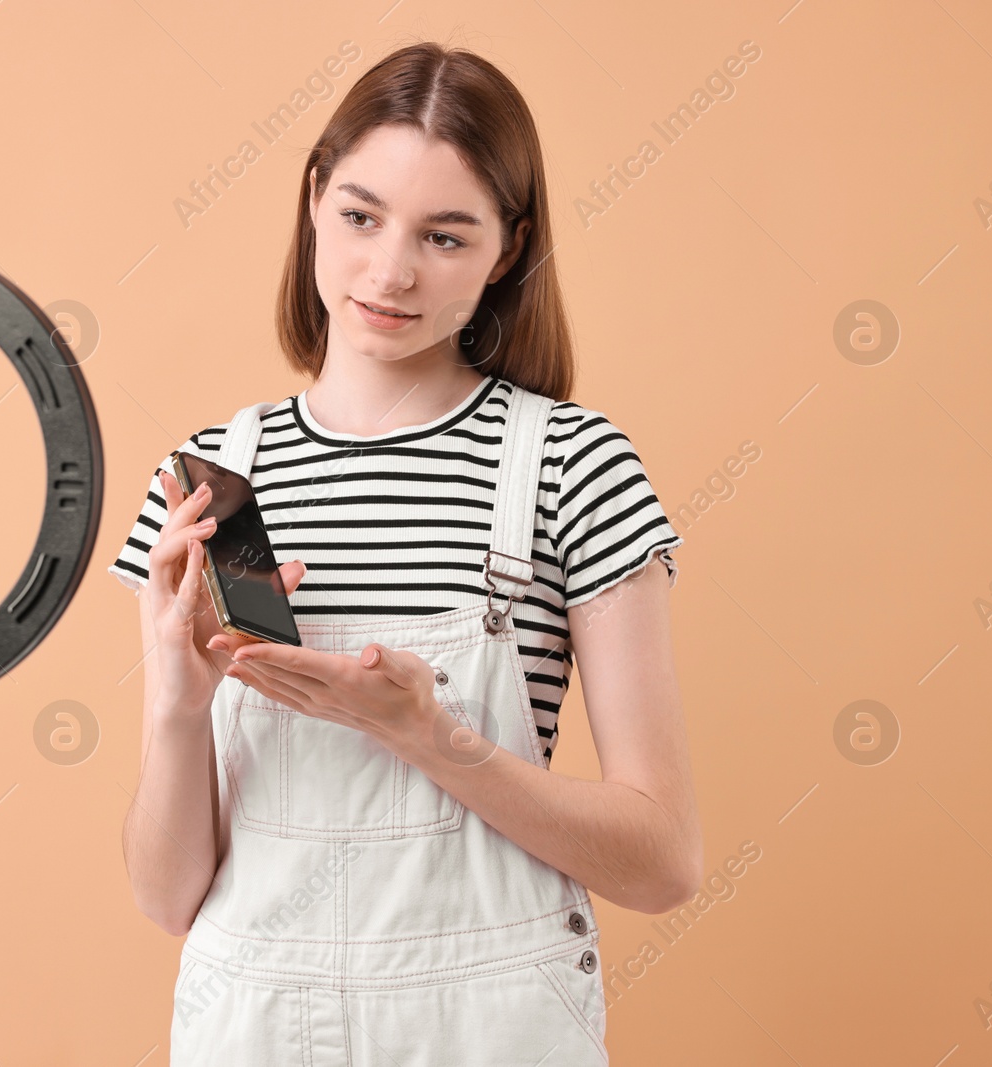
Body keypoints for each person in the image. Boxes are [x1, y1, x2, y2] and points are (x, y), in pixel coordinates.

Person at [109, 40, 701, 1065]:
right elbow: (168, 898)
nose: (389, 270)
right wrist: (176, 696)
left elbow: (661, 862)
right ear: (311, 198)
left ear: (507, 250)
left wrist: (434, 736)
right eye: (359, 215)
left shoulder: (567, 463)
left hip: (492, 1027)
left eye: (445, 234)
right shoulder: (217, 481)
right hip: (254, 1020)